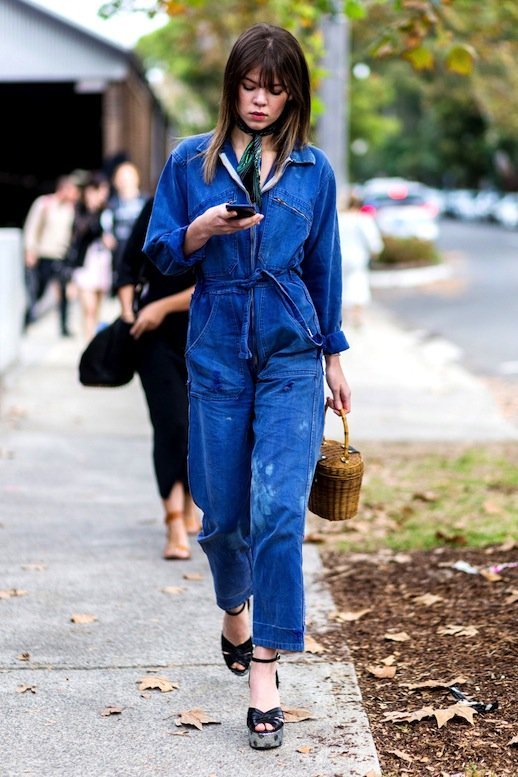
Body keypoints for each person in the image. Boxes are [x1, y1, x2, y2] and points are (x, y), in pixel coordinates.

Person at [143, 23, 351, 750]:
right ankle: (235, 606)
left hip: (293, 350)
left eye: (275, 88)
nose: (260, 100)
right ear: (232, 87)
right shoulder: (189, 162)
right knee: (223, 513)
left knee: (279, 510)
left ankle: (266, 667)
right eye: (250, 85)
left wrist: (333, 355)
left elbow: (324, 264)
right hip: (218, 346)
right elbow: (161, 251)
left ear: (294, 94)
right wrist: (200, 230)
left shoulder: (313, 170)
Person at [115, 197, 200, 560]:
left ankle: (191, 502)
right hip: (154, 339)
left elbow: (220, 282)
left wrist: (162, 306)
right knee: (171, 425)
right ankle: (174, 521)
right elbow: (126, 267)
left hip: (205, 337)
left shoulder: (220, 205)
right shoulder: (157, 206)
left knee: (198, 428)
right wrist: (128, 315)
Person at [23, 174, 81, 335]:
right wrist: (30, 250)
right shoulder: (44, 203)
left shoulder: (71, 209)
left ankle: (64, 327)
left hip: (61, 256)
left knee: (63, 292)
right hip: (44, 254)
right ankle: (27, 320)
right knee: (38, 290)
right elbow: (32, 227)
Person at [67, 172, 112, 342]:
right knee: (89, 308)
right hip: (85, 263)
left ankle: (93, 343)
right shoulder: (78, 211)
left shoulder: (106, 211)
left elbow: (110, 235)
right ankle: (88, 343)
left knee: (97, 309)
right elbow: (78, 237)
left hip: (102, 262)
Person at [338, 192, 383, 327]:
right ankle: (357, 315)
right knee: (358, 285)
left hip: (339, 258)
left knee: (341, 286)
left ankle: (342, 315)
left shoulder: (338, 218)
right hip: (358, 258)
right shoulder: (363, 219)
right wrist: (375, 252)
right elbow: (373, 241)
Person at [102, 161, 147, 292]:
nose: (125, 182)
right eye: (121, 178)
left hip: (141, 256)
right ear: (115, 181)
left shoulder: (146, 202)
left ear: (136, 178)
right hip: (119, 257)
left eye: (128, 177)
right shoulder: (111, 204)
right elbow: (105, 224)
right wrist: (106, 235)